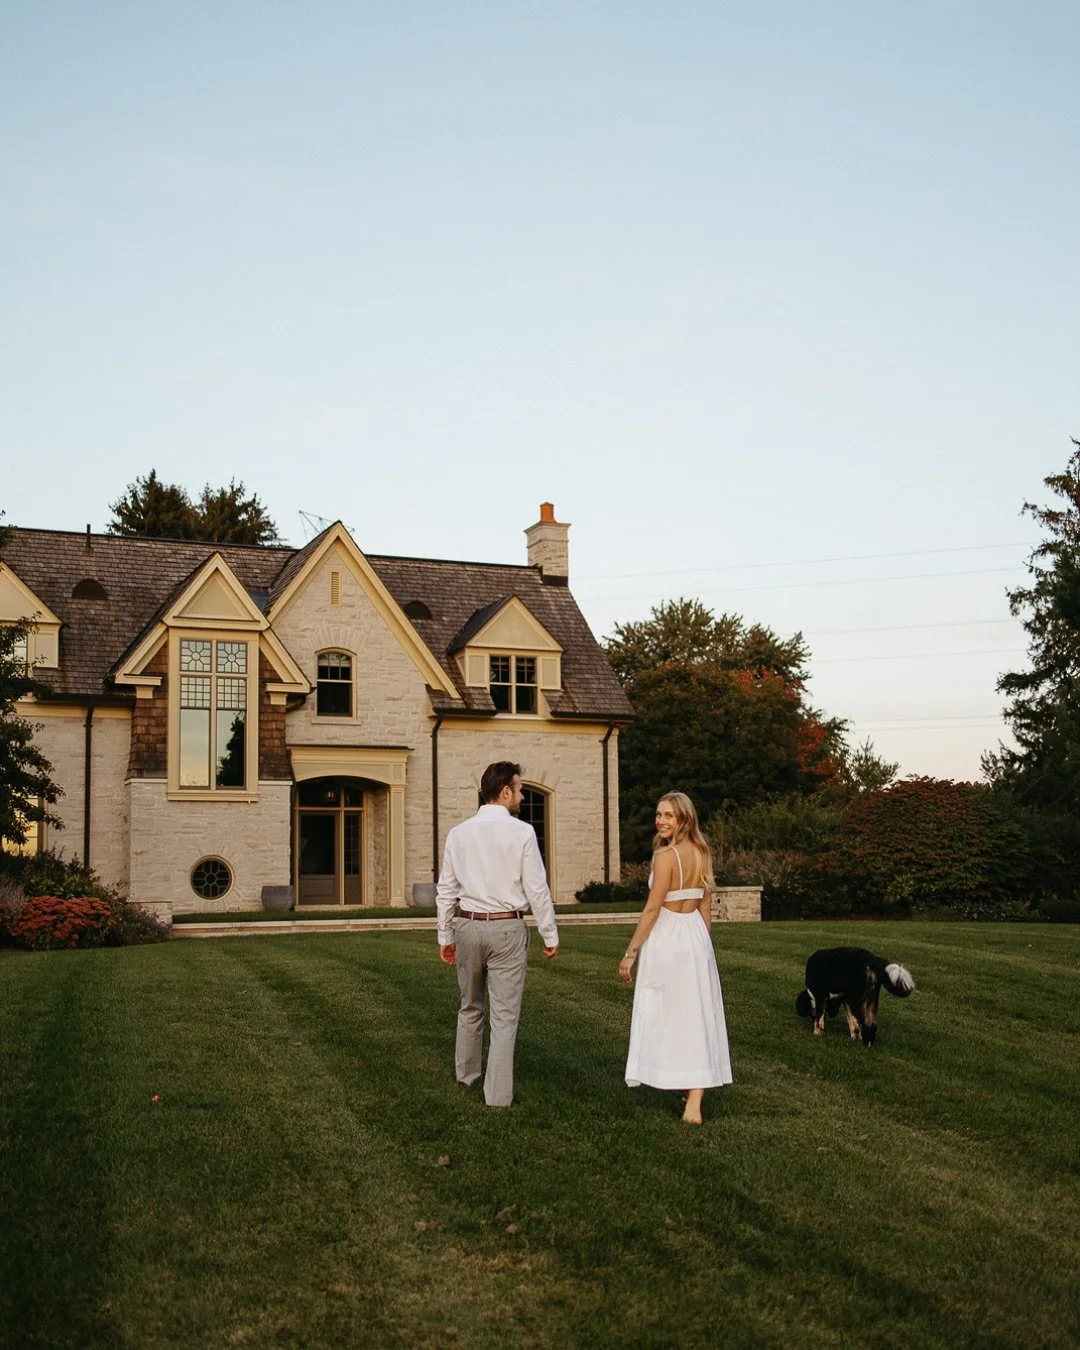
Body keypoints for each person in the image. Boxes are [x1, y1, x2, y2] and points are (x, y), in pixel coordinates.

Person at [436, 761, 559, 1107]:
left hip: (468, 926)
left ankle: (466, 1077)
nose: (521, 795)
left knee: (469, 1005)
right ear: (505, 792)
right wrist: (550, 935)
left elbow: (446, 890)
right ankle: (498, 1097)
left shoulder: (458, 833)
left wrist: (445, 937)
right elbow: (537, 889)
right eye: (519, 790)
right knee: (504, 1016)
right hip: (507, 927)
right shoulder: (522, 833)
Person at [618, 791, 733, 1124]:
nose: (661, 821)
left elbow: (653, 908)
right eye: (658, 814)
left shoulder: (665, 856)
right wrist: (701, 947)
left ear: (684, 818)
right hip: (695, 935)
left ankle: (689, 1097)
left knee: (668, 1013)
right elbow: (704, 908)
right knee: (696, 1012)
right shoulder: (703, 853)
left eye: (669, 815)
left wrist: (631, 952)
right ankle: (693, 1093)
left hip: (668, 935)